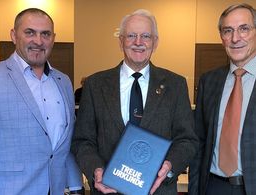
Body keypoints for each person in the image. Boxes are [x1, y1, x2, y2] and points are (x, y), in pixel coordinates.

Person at [71, 9, 198, 195]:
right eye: (131, 35)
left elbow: (187, 140)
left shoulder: (175, 85)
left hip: (158, 189)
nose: (138, 42)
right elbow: (82, 141)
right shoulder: (95, 85)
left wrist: (169, 167)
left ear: (155, 42)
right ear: (120, 41)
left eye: (146, 36)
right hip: (108, 189)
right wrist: (96, 170)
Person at [0, 8, 84, 195]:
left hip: (56, 188)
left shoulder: (64, 81)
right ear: (14, 35)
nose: (38, 41)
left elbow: (65, 143)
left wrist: (76, 184)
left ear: (53, 38)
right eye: (30, 32)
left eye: (45, 34)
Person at [188, 3, 256, 195]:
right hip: (213, 186)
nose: (235, 38)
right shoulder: (209, 81)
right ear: (221, 37)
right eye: (228, 31)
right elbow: (198, 143)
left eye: (244, 29)